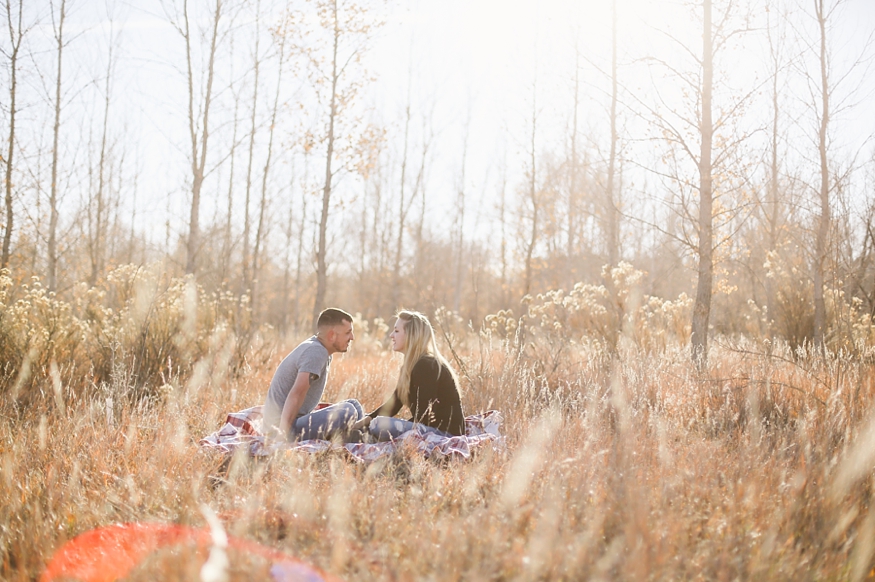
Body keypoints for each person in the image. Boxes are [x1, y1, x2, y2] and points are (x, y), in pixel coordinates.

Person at [354, 310, 465, 441]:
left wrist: (395, 425)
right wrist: (361, 423)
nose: (391, 335)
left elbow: (424, 416)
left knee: (379, 424)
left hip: (443, 433)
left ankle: (364, 436)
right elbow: (393, 404)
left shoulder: (426, 365)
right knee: (359, 412)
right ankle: (359, 434)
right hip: (428, 427)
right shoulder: (410, 366)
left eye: (396, 331)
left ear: (411, 335)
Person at [262, 308, 364, 441]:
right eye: (348, 332)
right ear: (331, 335)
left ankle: (358, 436)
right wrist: (281, 436)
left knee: (354, 404)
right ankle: (353, 437)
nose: (352, 337)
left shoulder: (320, 349)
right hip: (281, 427)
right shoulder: (316, 352)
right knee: (347, 410)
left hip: (293, 420)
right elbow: (297, 393)